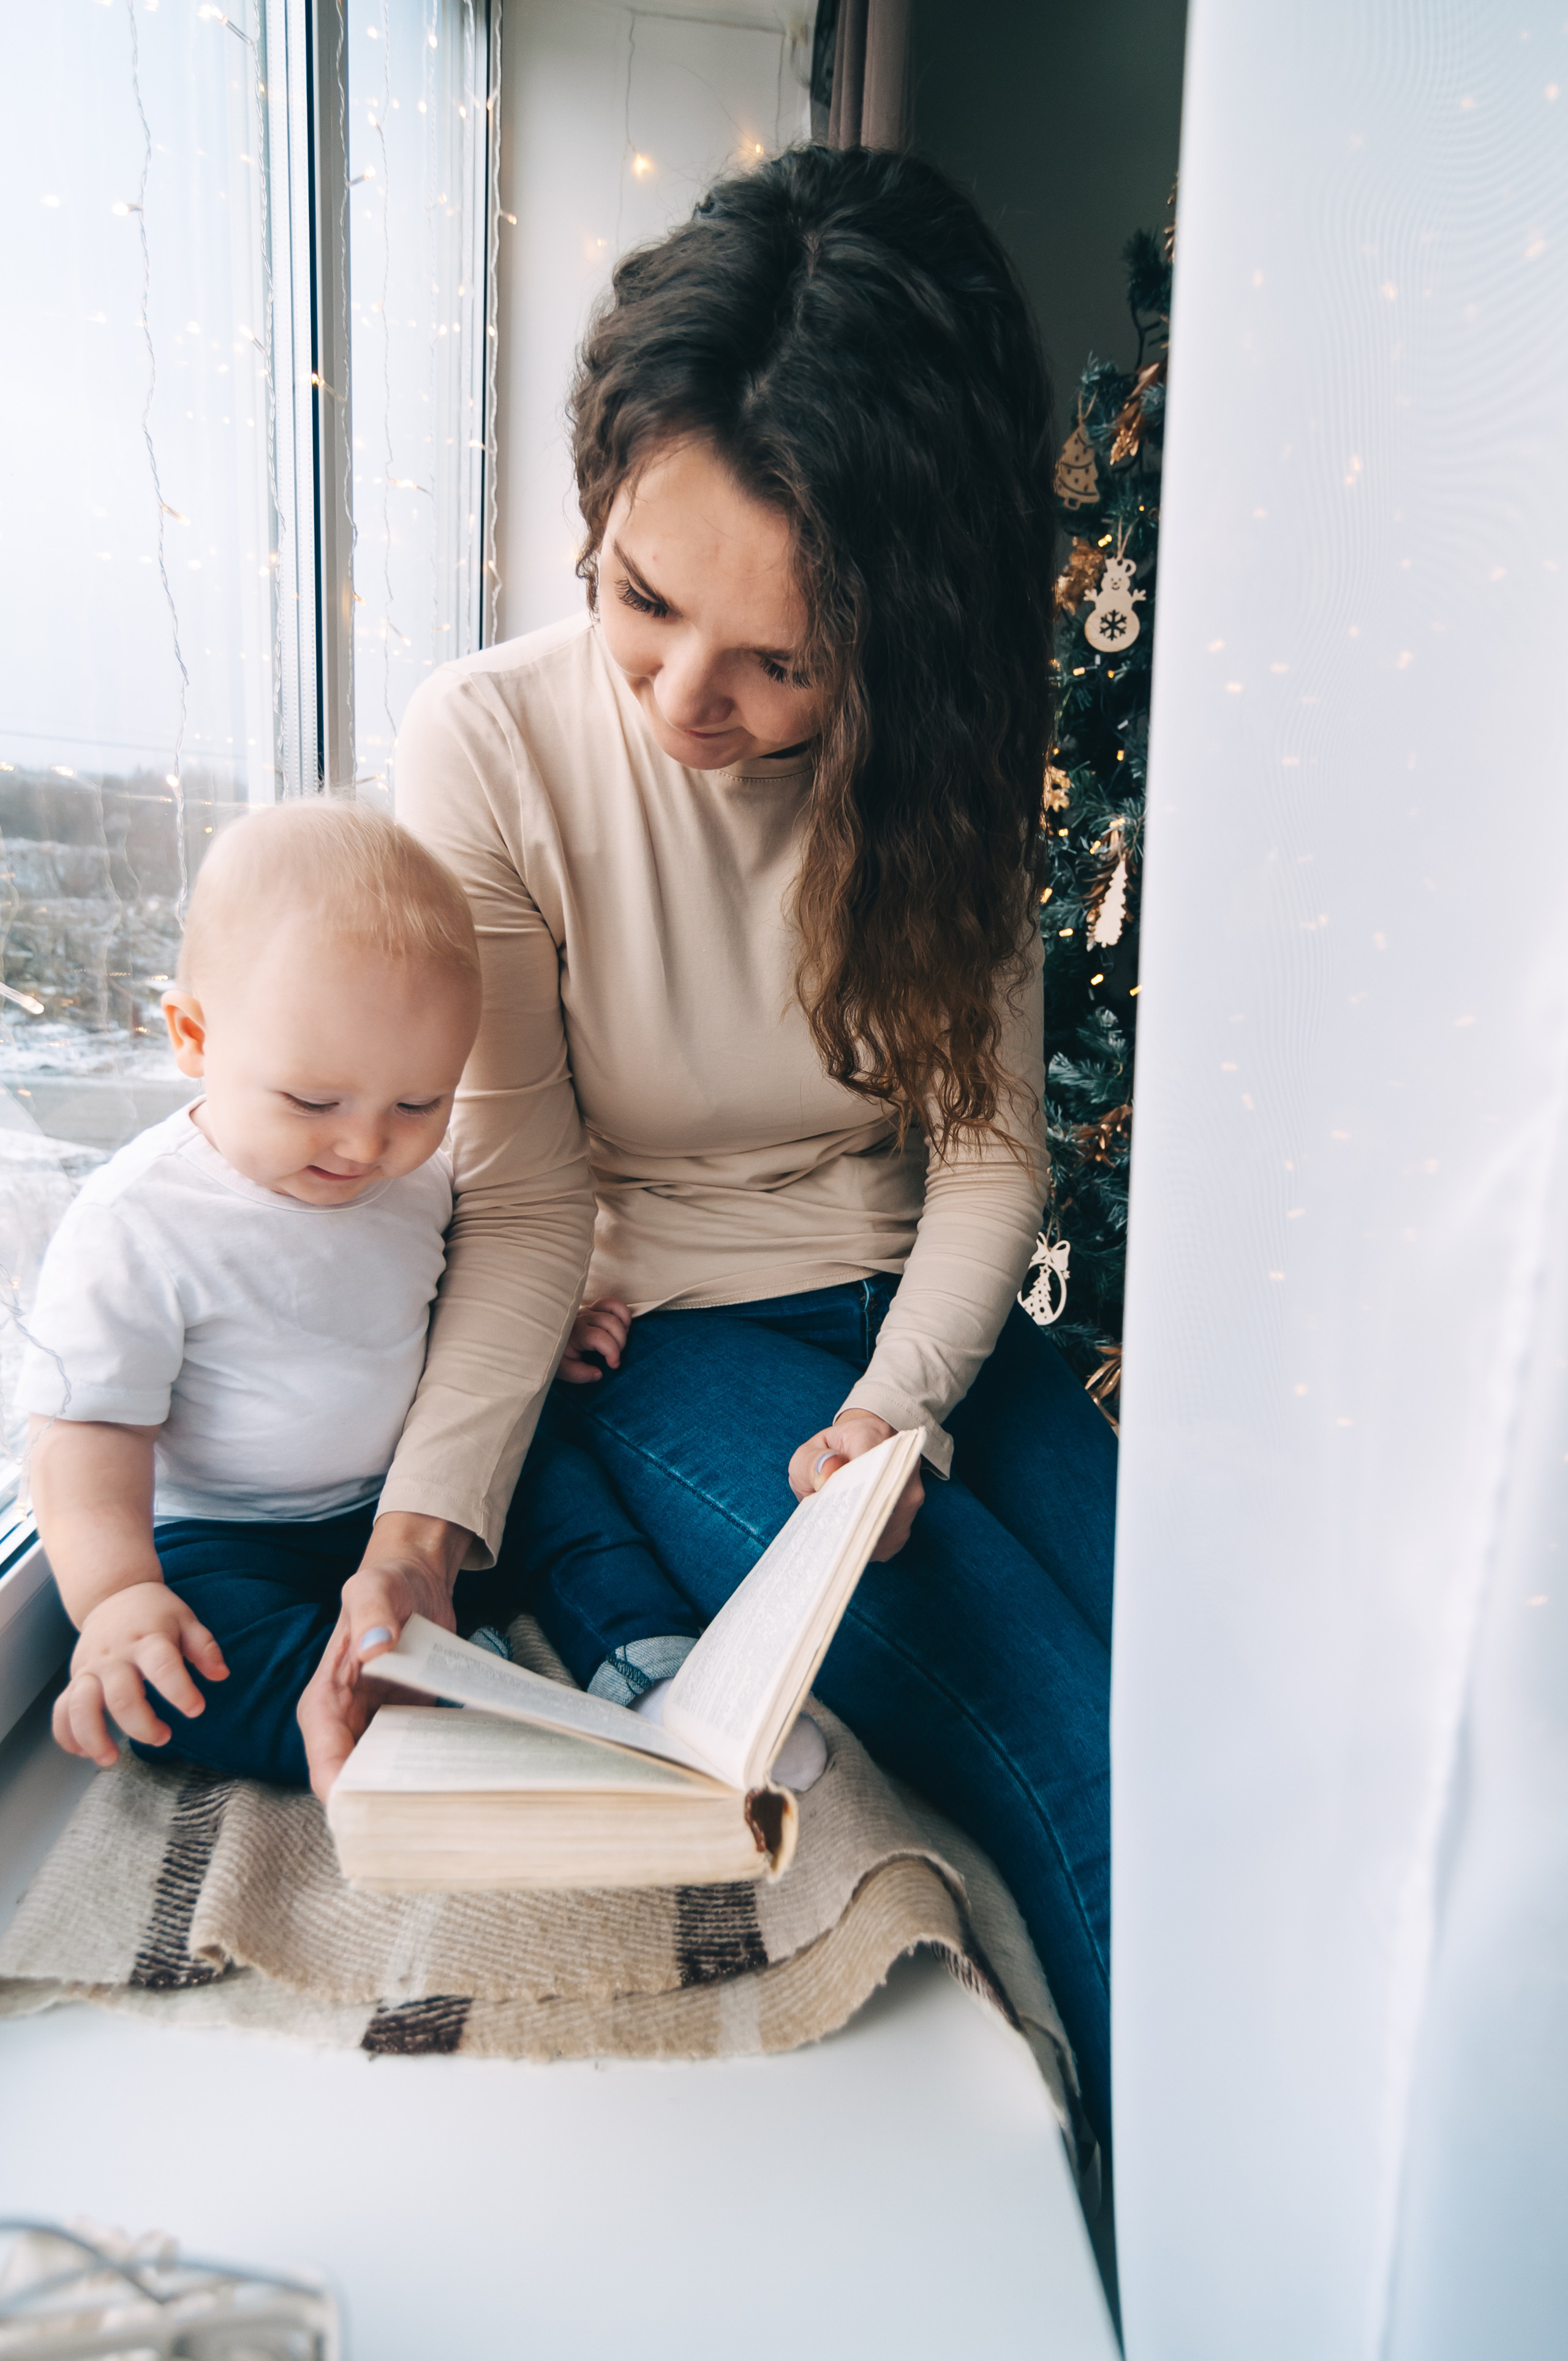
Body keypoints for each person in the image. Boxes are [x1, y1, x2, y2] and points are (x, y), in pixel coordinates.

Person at [298, 145, 1118, 2145]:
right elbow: (529, 1195)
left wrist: (907, 1407)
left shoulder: (947, 776)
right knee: (1074, 1756)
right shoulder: (484, 745)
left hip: (913, 1319)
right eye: (644, 602)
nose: (688, 697)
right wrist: (418, 1542)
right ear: (596, 514)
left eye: (786, 658)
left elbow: (991, 1162)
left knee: (1213, 1687)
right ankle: (1185, 2238)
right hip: (669, 1329)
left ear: (895, 638)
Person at [20, 802, 492, 1788]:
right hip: (223, 1535)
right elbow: (88, 1436)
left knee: (570, 1475)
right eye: (314, 1102)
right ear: (192, 1035)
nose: (367, 1145)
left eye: (419, 1102)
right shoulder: (136, 1219)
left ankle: (640, 1658)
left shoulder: (420, 1176)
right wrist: (114, 1595)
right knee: (174, 1672)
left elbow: (447, 1301)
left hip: (399, 1514)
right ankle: (361, 1726)